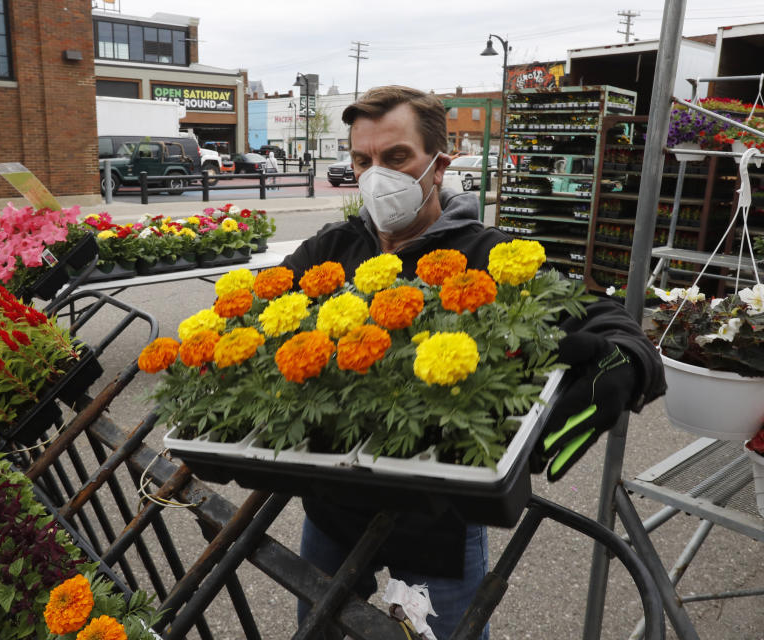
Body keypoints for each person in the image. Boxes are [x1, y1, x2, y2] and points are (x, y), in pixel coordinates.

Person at [280, 85, 666, 640]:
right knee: (319, 630)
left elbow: (598, 314)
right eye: (362, 161)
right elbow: (243, 315)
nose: (374, 177)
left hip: (437, 517)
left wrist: (627, 358)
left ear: (439, 166)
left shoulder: (486, 255)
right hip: (332, 506)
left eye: (395, 158)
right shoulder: (334, 250)